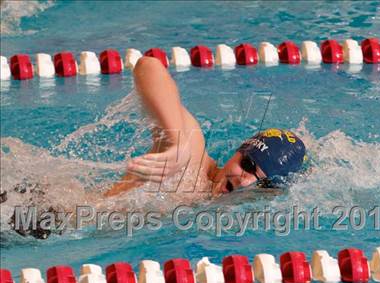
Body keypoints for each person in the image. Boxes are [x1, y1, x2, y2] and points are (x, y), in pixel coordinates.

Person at [104, 56, 306, 197]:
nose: (244, 182)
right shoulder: (191, 160)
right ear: (238, 152)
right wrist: (177, 143)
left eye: (261, 183)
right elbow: (148, 66)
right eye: (247, 165)